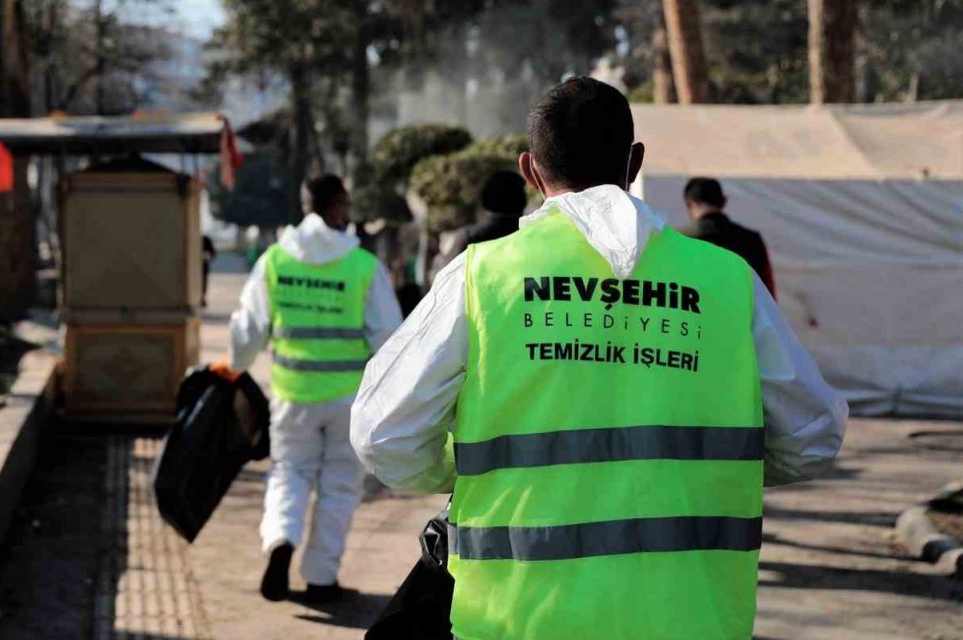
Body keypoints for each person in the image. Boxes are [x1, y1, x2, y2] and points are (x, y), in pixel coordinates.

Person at [350, 77, 847, 639]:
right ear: (634, 162)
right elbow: (813, 434)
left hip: (515, 623)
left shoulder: (482, 277)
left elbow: (384, 436)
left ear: (530, 171)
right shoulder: (728, 281)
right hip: (691, 621)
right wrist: (697, 477)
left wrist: (463, 465)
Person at [214, 174, 402, 604]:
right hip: (348, 400)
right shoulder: (363, 267)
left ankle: (281, 539)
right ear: (336, 207)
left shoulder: (276, 260)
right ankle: (320, 580)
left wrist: (235, 368)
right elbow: (388, 339)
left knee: (289, 473)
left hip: (292, 395)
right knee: (339, 485)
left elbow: (248, 329)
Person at [682, 177, 776, 296]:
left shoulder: (674, 243)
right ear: (724, 201)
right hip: (741, 313)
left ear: (689, 203)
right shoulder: (751, 241)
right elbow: (768, 296)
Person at [201, 234, 216, 307]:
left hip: (203, 266)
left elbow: (213, 253)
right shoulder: (190, 238)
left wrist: (207, 256)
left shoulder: (205, 240)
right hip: (193, 266)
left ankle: (202, 298)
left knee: (203, 282)